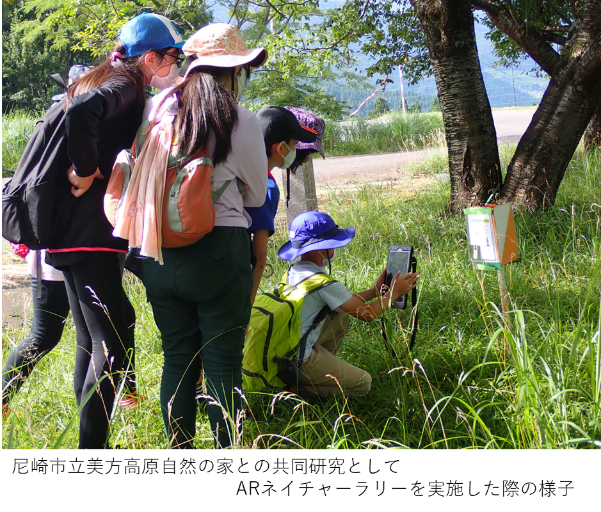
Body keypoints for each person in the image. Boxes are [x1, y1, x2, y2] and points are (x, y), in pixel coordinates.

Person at [44, 12, 185, 450]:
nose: (172, 66)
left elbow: (83, 110)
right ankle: (92, 445)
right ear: (149, 56)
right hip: (90, 234)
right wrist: (88, 171)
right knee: (112, 340)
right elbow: (84, 113)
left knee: (92, 341)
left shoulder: (106, 78)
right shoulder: (126, 84)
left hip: (69, 232)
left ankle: (94, 441)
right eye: (169, 58)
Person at [134, 23, 268, 449]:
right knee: (223, 363)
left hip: (157, 250)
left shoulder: (157, 109)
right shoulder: (239, 118)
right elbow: (257, 195)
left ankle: (179, 446)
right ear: (232, 72)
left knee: (178, 358)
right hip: (219, 251)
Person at [277, 211, 420, 398]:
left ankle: (317, 372)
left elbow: (344, 302)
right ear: (323, 248)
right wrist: (394, 293)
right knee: (363, 383)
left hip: (286, 351)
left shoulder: (294, 271)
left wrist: (373, 292)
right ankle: (298, 389)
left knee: (341, 314)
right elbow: (367, 314)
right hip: (299, 360)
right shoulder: (322, 281)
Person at [1, 246, 140, 419]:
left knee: (122, 320)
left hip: (80, 255)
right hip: (60, 257)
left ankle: (126, 392)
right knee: (45, 334)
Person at [246, 106, 319, 304]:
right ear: (281, 148)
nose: (295, 150)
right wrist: (248, 306)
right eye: (294, 144)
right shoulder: (266, 187)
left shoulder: (239, 173)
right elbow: (259, 255)